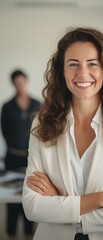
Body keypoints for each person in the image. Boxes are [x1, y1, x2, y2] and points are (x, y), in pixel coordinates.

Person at [22, 27, 103, 240]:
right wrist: (101, 199)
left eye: (92, 64)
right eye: (73, 64)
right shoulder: (42, 125)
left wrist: (62, 205)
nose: (82, 73)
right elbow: (32, 207)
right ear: (62, 71)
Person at [1, 69, 40, 240]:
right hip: (13, 157)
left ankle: (28, 232)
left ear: (26, 81)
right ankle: (10, 232)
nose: (20, 85)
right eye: (17, 83)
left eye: (22, 82)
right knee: (12, 198)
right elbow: (5, 131)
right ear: (13, 84)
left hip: (31, 157)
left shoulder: (37, 104)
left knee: (29, 195)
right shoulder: (7, 107)